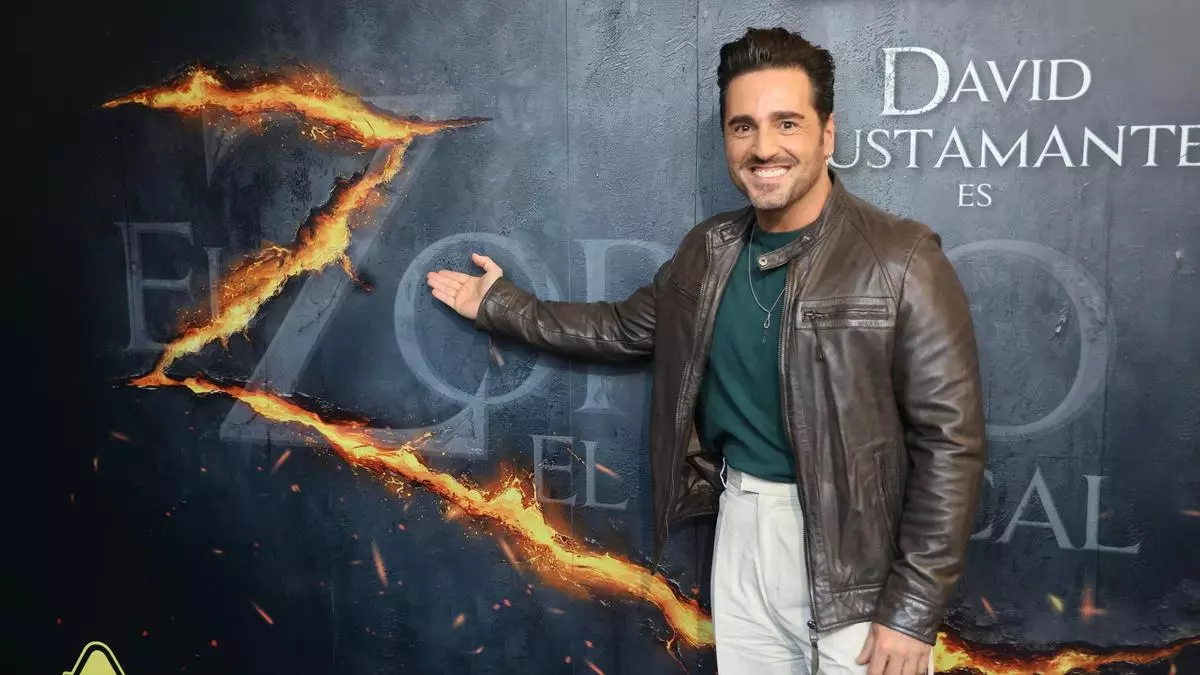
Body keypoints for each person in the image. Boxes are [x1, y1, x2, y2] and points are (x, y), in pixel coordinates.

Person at [426, 26, 986, 675]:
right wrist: (500, 304)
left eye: (786, 123)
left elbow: (951, 442)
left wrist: (912, 607)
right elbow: (622, 327)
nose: (763, 147)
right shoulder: (709, 249)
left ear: (827, 134)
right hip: (742, 525)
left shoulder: (901, 257)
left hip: (858, 559)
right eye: (743, 127)